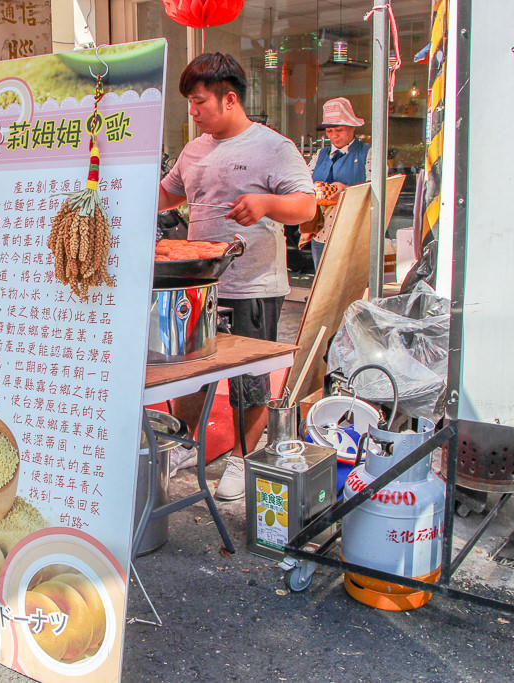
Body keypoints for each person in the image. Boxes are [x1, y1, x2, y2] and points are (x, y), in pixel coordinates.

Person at [157, 53, 316, 500]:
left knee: (249, 377)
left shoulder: (273, 147)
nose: (193, 110)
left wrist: (266, 204)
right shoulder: (194, 149)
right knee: (189, 367)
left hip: (252, 284)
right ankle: (186, 442)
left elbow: (306, 207)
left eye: (199, 101)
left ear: (230, 99)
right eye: (189, 101)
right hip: (197, 281)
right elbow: (169, 194)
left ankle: (243, 456)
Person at [306, 97, 371, 266]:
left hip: (352, 233)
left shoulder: (368, 153)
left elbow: (378, 192)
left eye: (339, 130)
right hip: (320, 232)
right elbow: (303, 183)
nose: (334, 136)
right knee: (322, 284)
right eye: (329, 131)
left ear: (352, 128)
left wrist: (346, 190)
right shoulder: (320, 155)